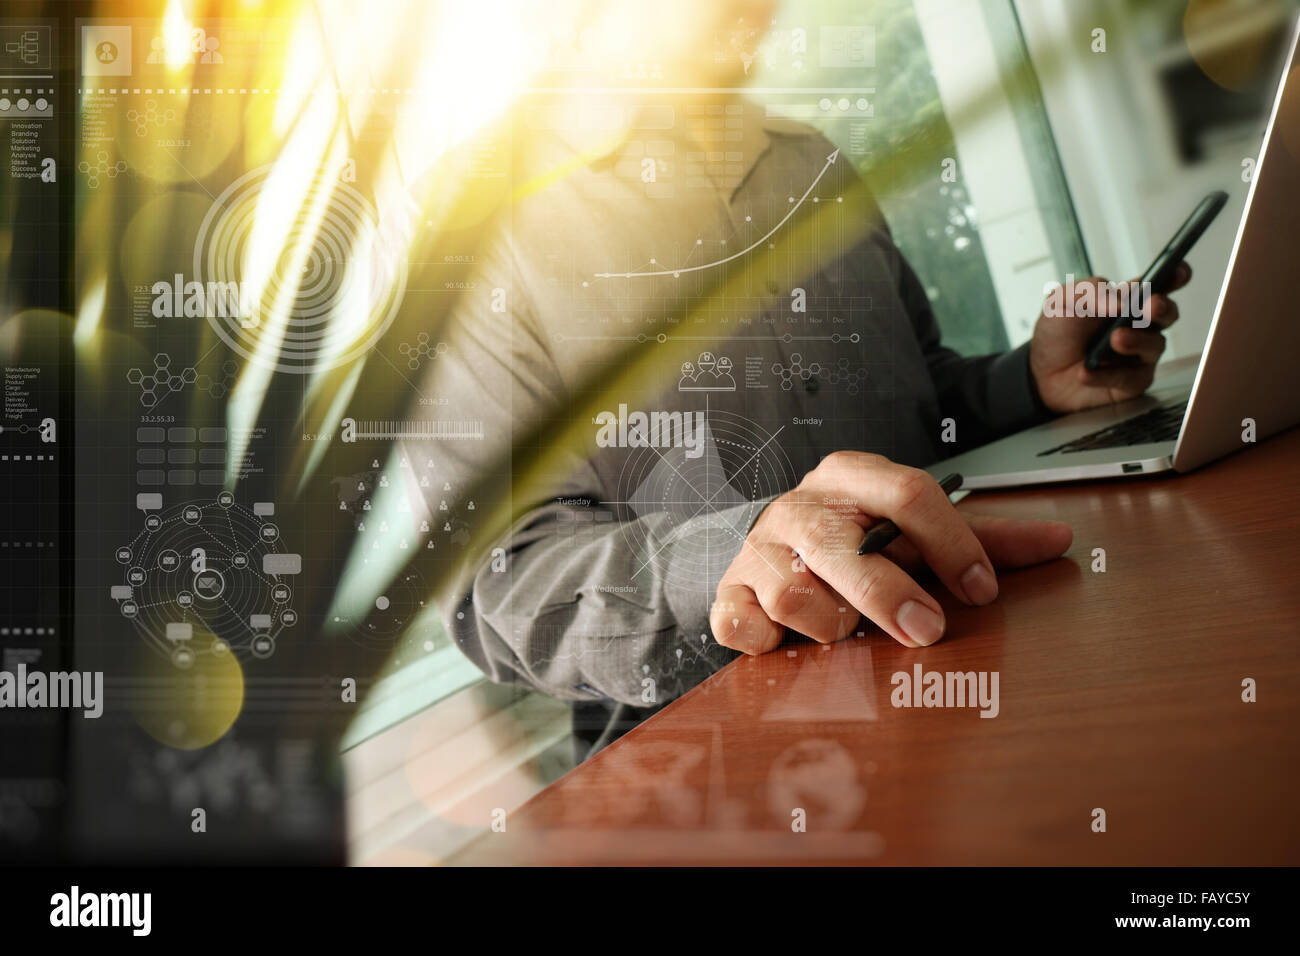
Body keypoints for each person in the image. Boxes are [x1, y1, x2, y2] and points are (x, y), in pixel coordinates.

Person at [401, 25, 1187, 763]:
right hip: (709, 763)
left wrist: (1028, 385)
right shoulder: (472, 222)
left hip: (949, 669)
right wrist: (733, 555)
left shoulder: (814, 160)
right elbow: (500, 586)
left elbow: (916, 415)